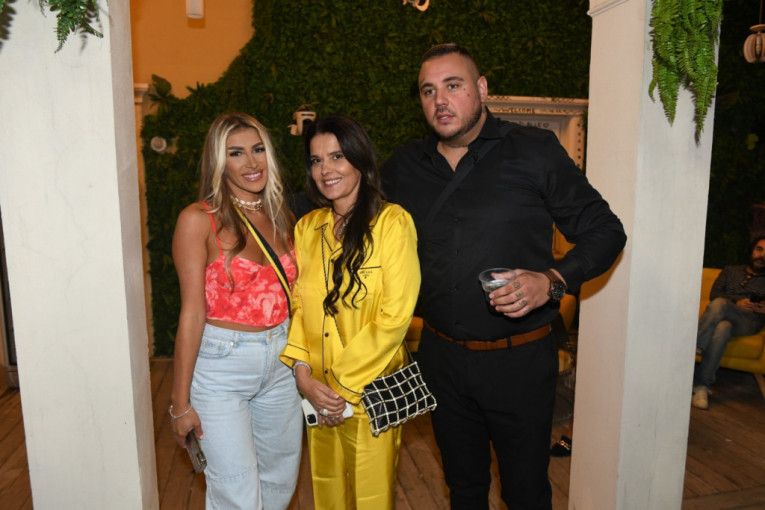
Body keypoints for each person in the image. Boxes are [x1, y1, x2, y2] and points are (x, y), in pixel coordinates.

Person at [381, 43, 626, 509]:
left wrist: (550, 280)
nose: (440, 100)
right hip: (440, 359)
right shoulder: (405, 166)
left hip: (519, 360)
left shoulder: (533, 151)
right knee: (463, 488)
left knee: (525, 492)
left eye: (453, 85)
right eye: (428, 90)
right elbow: (342, 205)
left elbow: (605, 231)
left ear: (481, 88)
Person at [279, 114, 421, 509]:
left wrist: (339, 389)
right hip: (318, 391)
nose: (326, 169)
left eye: (337, 156)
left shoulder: (392, 223)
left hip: (370, 393)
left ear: (360, 159)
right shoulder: (307, 228)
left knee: (371, 498)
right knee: (327, 493)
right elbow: (299, 305)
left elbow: (395, 316)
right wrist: (303, 373)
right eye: (316, 160)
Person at [169, 112, 303, 509]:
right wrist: (179, 403)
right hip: (221, 368)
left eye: (258, 149)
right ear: (218, 161)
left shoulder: (282, 215)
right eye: (236, 153)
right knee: (236, 492)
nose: (251, 162)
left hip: (281, 363)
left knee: (279, 483)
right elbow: (191, 314)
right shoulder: (198, 220)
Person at [692, 234, 765, 409]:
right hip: (724, 315)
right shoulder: (730, 271)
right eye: (759, 249)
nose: (762, 255)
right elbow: (714, 294)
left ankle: (695, 345)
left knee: (720, 304)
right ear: (752, 251)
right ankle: (702, 386)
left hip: (749, 322)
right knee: (723, 327)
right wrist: (736, 302)